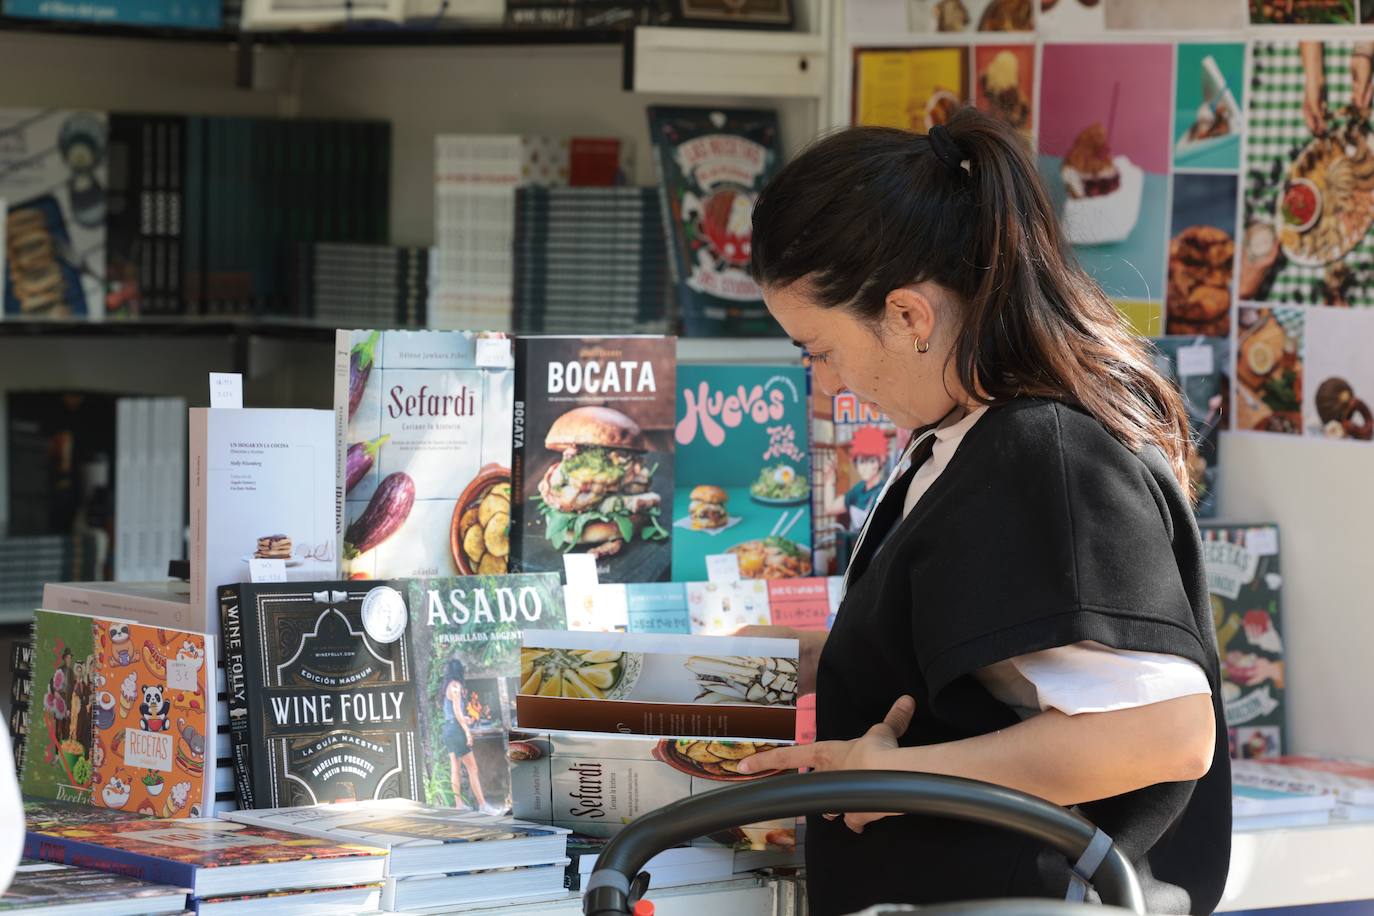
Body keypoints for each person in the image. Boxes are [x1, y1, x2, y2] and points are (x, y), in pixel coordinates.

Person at [738, 109, 1230, 916]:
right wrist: (821, 655)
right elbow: (996, 661)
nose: (821, 385)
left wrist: (901, 779)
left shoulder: (1043, 455)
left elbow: (1166, 732)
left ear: (908, 315)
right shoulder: (971, 439)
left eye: (820, 350)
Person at [440, 658, 488, 812]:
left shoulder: (448, 686)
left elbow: (452, 713)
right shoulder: (456, 685)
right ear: (459, 672)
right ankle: (483, 805)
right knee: (472, 768)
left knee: (455, 768)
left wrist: (464, 719)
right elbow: (457, 711)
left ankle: (459, 805)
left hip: (448, 729)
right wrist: (467, 731)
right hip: (456, 731)